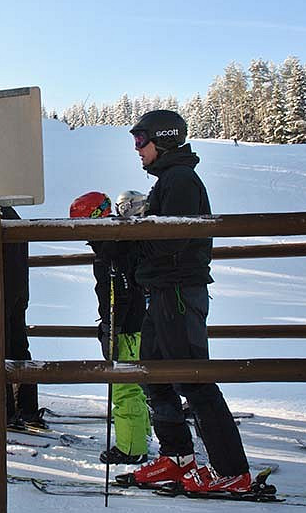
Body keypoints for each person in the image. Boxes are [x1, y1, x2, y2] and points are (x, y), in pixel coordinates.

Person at [126, 110, 251, 493]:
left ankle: (231, 469)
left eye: (141, 141)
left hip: (178, 291)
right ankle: (177, 455)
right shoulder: (168, 180)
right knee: (153, 371)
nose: (137, 149)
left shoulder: (180, 179)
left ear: (162, 139)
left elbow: (172, 240)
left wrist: (132, 237)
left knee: (192, 377)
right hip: (164, 290)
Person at [70, 190, 151, 465]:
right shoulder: (117, 242)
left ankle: (131, 448)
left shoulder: (111, 250)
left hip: (127, 328)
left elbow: (119, 291)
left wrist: (111, 328)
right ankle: (140, 437)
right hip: (134, 323)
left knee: (124, 386)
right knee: (134, 383)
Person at [0, 206, 43, 429]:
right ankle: (27, 408)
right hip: (19, 291)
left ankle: (5, 410)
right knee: (19, 347)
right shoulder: (13, 215)